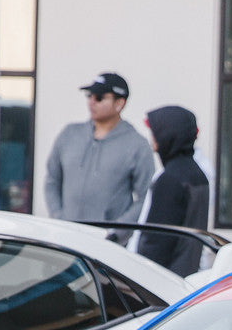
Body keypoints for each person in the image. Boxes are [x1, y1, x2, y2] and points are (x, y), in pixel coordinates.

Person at [44, 72, 155, 238]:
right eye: (90, 96)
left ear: (120, 103)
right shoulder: (69, 134)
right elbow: (52, 180)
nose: (91, 102)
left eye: (100, 97)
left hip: (106, 247)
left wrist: (115, 232)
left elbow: (146, 197)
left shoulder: (136, 144)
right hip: (65, 239)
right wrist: (59, 218)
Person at [137, 105, 210, 277]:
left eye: (155, 132)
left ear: (168, 134)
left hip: (161, 280)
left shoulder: (170, 179)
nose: (152, 140)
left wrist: (139, 277)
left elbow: (156, 242)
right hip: (184, 275)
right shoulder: (197, 174)